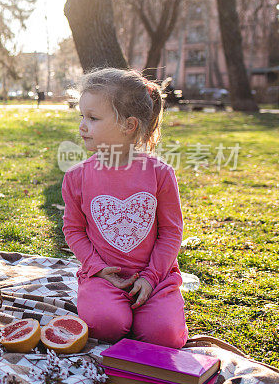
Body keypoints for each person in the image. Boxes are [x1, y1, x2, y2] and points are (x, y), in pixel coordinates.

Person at [62, 68, 188, 349]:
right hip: (103, 278)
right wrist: (97, 268)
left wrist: (151, 277)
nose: (82, 125)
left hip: (156, 278)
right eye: (81, 116)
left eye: (93, 118)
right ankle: (114, 308)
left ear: (129, 125)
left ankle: (155, 310)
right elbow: (73, 229)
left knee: (165, 336)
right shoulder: (76, 177)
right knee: (106, 325)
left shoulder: (160, 174)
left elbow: (170, 232)